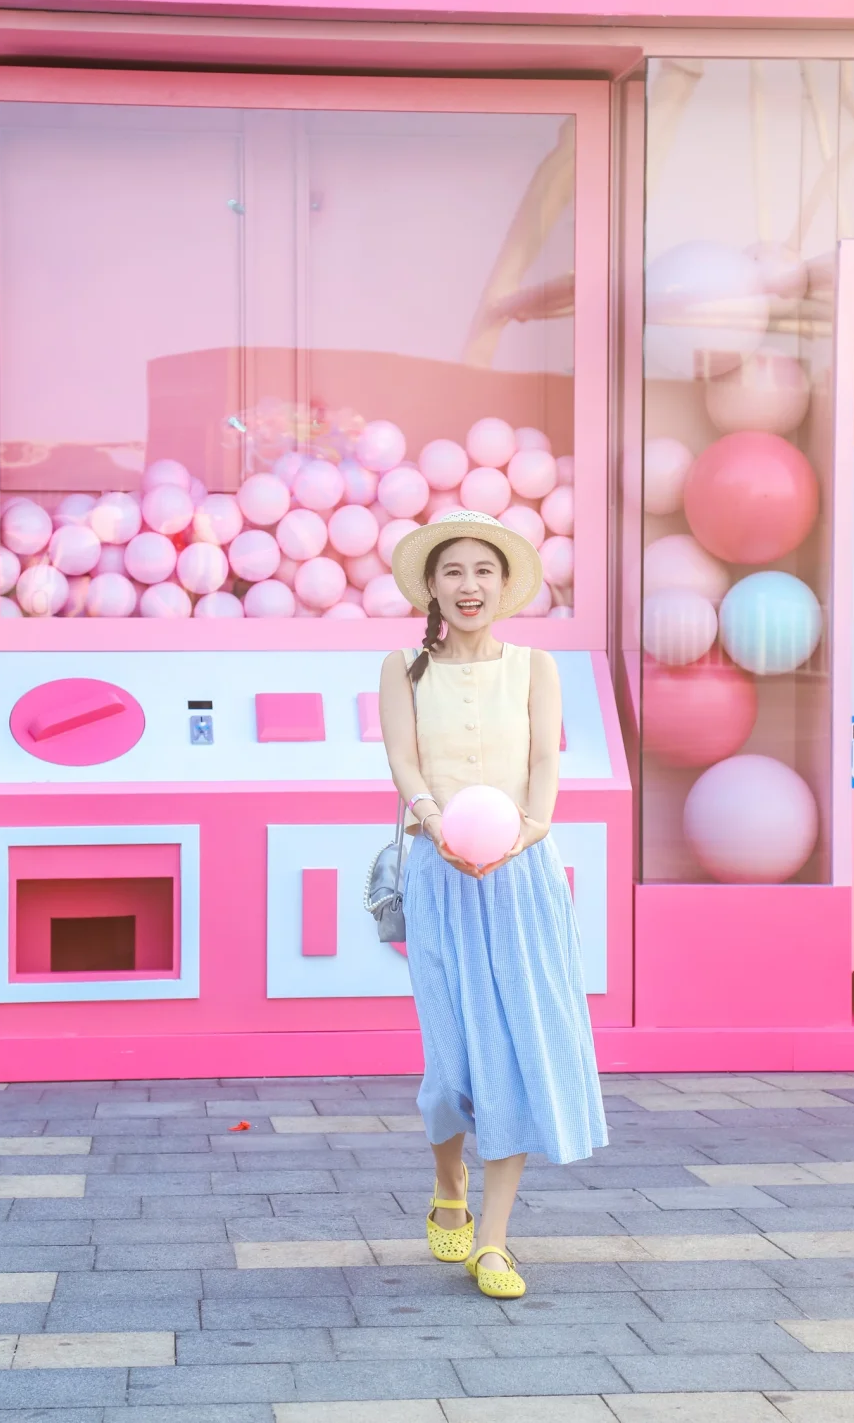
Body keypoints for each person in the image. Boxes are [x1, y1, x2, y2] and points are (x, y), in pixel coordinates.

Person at [379, 508, 607, 1300]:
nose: (469, 584)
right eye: (453, 571)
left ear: (505, 585)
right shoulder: (403, 667)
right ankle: (450, 1180)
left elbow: (544, 760)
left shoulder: (536, 666)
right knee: (449, 1067)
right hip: (441, 875)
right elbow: (404, 762)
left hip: (522, 875)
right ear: (432, 587)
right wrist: (436, 823)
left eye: (483, 570)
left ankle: (496, 1242)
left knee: (513, 1053)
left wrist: (530, 829)